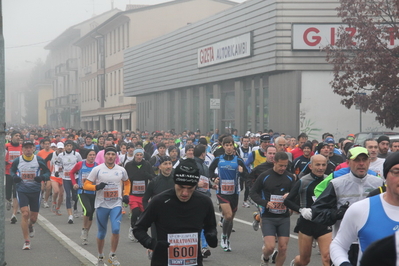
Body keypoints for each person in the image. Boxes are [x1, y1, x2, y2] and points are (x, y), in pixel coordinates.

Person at [133, 158, 218, 266]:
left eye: (190, 188)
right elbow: (138, 228)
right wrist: (153, 244)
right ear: (175, 183)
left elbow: (210, 226)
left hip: (193, 262)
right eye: (181, 187)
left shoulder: (204, 202)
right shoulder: (159, 201)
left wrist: (211, 235)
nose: (185, 193)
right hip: (163, 261)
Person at [312, 146, 384, 266]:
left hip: (372, 244)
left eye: (364, 160)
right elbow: (317, 212)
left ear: (369, 162)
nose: (361, 164)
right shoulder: (337, 184)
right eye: (357, 160)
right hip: (345, 246)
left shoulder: (379, 183)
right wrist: (336, 214)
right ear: (348, 162)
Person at [330, 152, 399, 266]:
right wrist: (344, 264)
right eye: (397, 172)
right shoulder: (361, 209)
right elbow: (338, 245)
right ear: (385, 175)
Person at [83, 146, 131, 266]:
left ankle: (112, 256)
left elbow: (127, 181)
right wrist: (96, 187)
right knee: (101, 232)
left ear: (116, 156)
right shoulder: (97, 169)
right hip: (101, 204)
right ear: (104, 156)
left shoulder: (121, 170)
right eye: (108, 154)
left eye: (112, 154)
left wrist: (126, 194)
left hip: (116, 204)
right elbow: (86, 185)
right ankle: (100, 256)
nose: (110, 156)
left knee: (115, 229)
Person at [284, 155, 332, 266]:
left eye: (323, 165)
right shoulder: (303, 181)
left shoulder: (329, 180)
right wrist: (301, 210)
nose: (321, 168)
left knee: (327, 257)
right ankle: (296, 263)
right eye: (318, 165)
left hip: (324, 223)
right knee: (304, 260)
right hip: (307, 223)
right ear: (310, 166)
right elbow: (288, 201)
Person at [249, 152, 295, 266]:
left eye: (285, 166)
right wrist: (265, 203)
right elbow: (253, 193)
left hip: (284, 217)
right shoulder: (265, 176)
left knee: (283, 248)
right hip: (268, 216)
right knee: (269, 248)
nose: (283, 168)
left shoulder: (289, 177)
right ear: (274, 162)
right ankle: (265, 258)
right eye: (280, 165)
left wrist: (289, 196)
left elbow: (296, 195)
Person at [209, 136, 248, 252]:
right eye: (227, 145)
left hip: (234, 193)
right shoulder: (218, 159)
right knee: (228, 215)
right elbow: (210, 171)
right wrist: (214, 178)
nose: (229, 147)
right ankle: (223, 237)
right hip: (222, 192)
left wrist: (241, 172)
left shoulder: (238, 160)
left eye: (231, 145)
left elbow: (247, 176)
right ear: (223, 146)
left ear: (233, 146)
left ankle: (227, 238)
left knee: (231, 219)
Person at [10, 140, 51, 250]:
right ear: (22, 149)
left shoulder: (38, 160)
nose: (28, 150)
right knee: (24, 214)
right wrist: (14, 177)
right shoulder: (18, 160)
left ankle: (31, 225)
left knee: (33, 218)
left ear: (33, 148)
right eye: (26, 148)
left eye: (30, 148)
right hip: (22, 190)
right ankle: (26, 241)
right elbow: (12, 171)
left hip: (35, 191)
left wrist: (42, 177)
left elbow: (48, 173)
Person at [124, 148, 155, 242]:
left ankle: (138, 231)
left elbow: (153, 177)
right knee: (135, 212)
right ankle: (132, 229)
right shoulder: (128, 165)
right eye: (137, 155)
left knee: (142, 215)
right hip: (132, 194)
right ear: (134, 155)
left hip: (144, 195)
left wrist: (147, 175)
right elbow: (124, 179)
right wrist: (124, 193)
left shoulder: (147, 165)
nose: (139, 157)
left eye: (141, 155)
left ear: (143, 156)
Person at [70, 150, 98, 245]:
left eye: (94, 155)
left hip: (94, 192)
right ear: (86, 156)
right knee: (87, 210)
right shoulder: (80, 164)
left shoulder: (97, 166)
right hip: (82, 191)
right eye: (90, 155)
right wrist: (74, 183)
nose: (92, 156)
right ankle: (83, 228)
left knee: (91, 214)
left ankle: (86, 232)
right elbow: (71, 173)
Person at [55, 140, 82, 224]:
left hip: (75, 178)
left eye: (70, 146)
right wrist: (56, 171)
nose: (69, 147)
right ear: (65, 147)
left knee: (75, 195)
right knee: (68, 195)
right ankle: (70, 216)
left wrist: (78, 171)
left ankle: (75, 208)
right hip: (66, 178)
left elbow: (81, 163)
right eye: (67, 146)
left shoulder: (76, 154)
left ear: (72, 147)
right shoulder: (61, 155)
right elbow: (57, 164)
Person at [5, 130, 23, 224]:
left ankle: (14, 214)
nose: (18, 137)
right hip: (8, 172)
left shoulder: (21, 147)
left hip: (17, 173)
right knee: (8, 192)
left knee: (16, 192)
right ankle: (8, 200)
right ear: (11, 138)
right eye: (16, 135)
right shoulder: (7, 146)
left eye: (19, 136)